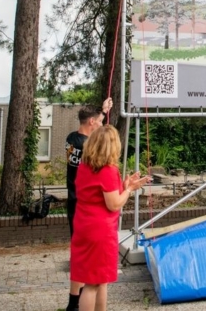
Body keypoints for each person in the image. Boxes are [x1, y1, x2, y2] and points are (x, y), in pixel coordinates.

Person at [70, 124, 151, 311]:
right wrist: (130, 189)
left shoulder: (85, 167)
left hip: (84, 226)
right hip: (100, 231)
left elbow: (100, 195)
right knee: (92, 284)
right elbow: (113, 204)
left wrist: (124, 185)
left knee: (101, 280)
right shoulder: (107, 170)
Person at [65, 97, 112, 311]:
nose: (101, 125)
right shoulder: (89, 149)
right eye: (99, 122)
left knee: (79, 254)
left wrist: (102, 111)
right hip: (85, 207)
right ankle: (78, 301)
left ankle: (73, 301)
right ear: (91, 122)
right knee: (89, 266)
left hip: (74, 202)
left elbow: (92, 130)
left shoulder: (72, 139)